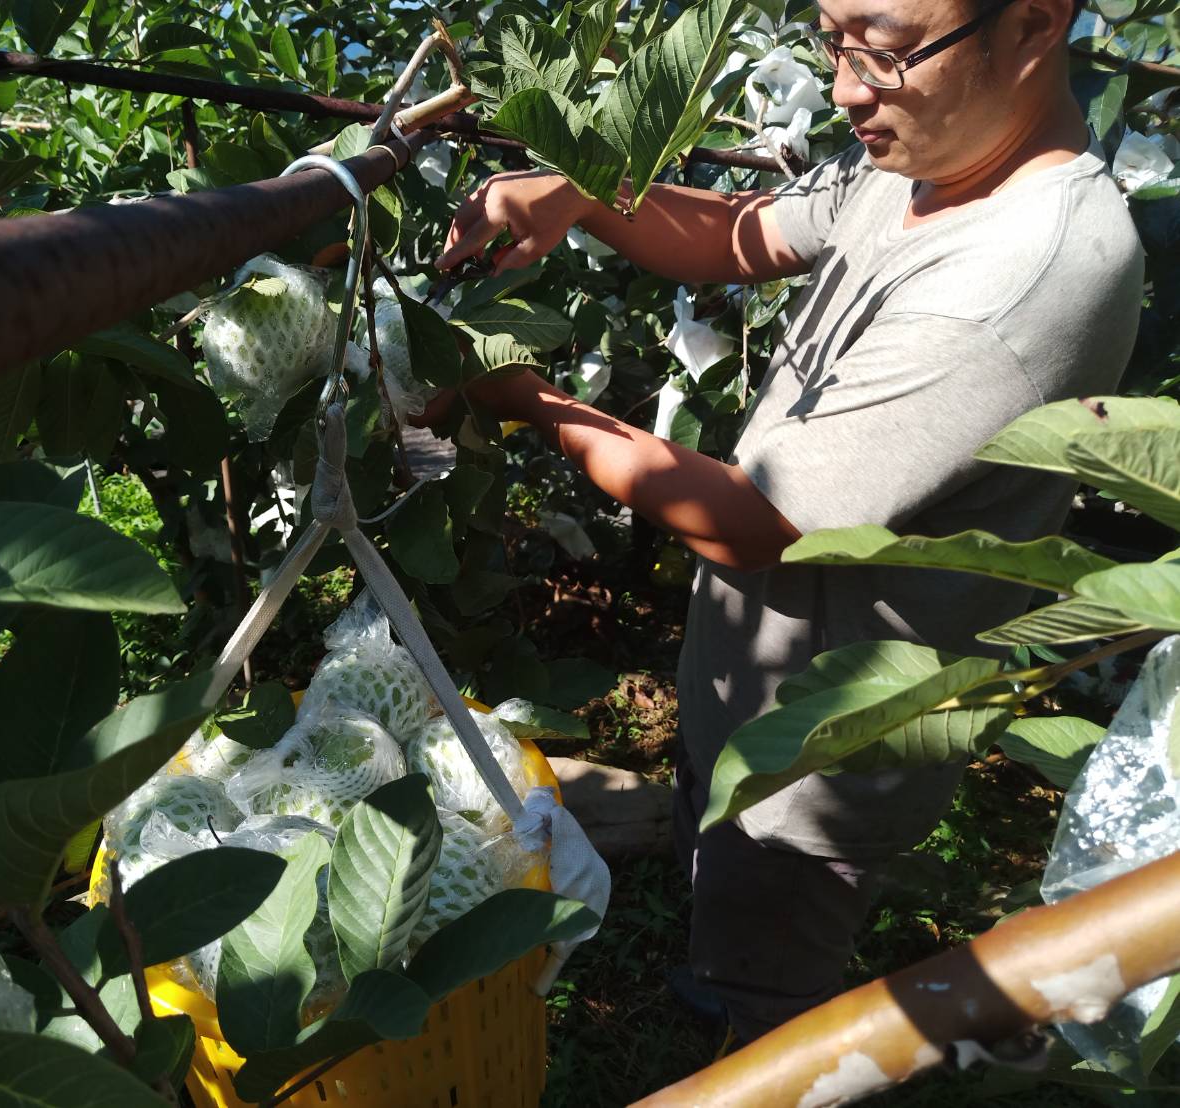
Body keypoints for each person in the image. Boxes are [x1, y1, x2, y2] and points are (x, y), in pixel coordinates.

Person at [428, 0, 1144, 1041]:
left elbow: (752, 523)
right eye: (832, 40)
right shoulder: (929, 153)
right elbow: (737, 234)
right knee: (718, 883)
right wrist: (581, 194)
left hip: (819, 763)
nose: (848, 87)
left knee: (763, 1009)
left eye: (888, 50)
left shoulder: (1020, 274)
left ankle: (746, 1029)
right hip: (757, 687)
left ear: (1033, 26)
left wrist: (524, 397)